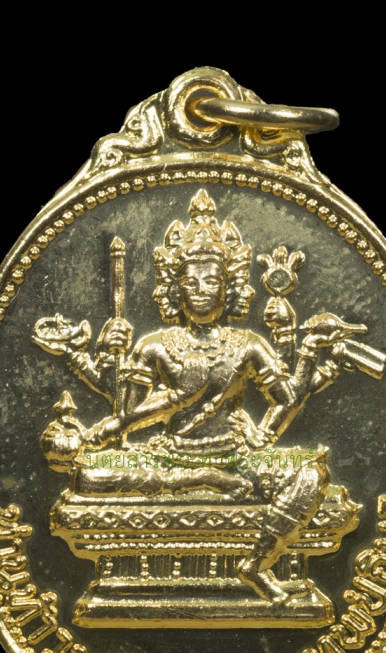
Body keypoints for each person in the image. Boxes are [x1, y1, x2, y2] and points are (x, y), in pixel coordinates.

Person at [44, 190, 358, 604]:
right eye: (189, 281)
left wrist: (265, 434)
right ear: (174, 289)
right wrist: (107, 350)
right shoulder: (155, 345)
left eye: (212, 280)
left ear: (230, 288)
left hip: (235, 456)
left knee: (312, 474)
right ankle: (196, 480)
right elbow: (124, 415)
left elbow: (286, 398)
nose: (201, 289)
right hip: (168, 456)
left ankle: (256, 565)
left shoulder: (247, 344)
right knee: (88, 475)